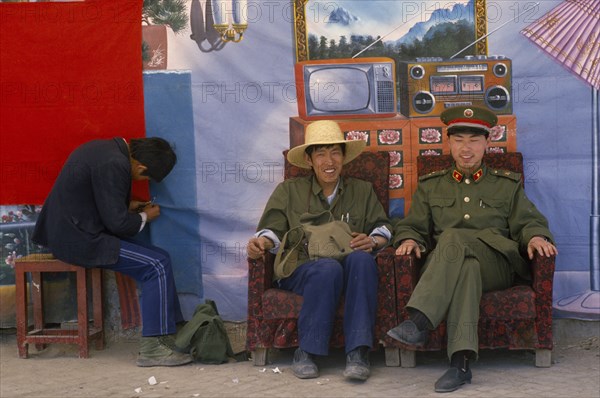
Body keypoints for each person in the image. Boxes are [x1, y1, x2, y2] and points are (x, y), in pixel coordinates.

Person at [387, 106, 558, 393]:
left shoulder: (506, 185)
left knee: (453, 237)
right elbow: (411, 225)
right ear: (449, 143)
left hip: (497, 264)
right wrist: (408, 240)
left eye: (474, 140)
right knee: (466, 267)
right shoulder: (431, 186)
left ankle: (418, 320)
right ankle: (460, 364)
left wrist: (536, 237)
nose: (466, 148)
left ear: (487, 143)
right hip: (451, 265)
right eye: (459, 140)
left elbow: (529, 221)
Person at [246, 120, 392, 381]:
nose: (329, 161)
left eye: (335, 152)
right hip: (304, 268)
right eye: (321, 153)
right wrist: (262, 243)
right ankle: (307, 351)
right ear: (309, 159)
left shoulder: (362, 190)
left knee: (363, 261)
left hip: (348, 266)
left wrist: (374, 241)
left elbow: (383, 227)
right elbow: (272, 230)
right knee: (327, 268)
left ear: (344, 157)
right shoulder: (289, 191)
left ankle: (358, 353)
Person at [32, 137, 192, 367]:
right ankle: (153, 348)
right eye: (145, 177)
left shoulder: (108, 151)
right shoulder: (114, 164)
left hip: (74, 230)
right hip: (77, 240)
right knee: (155, 266)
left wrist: (130, 207)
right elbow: (117, 224)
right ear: (141, 167)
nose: (142, 180)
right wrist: (145, 216)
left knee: (162, 258)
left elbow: (97, 200)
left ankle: (170, 335)